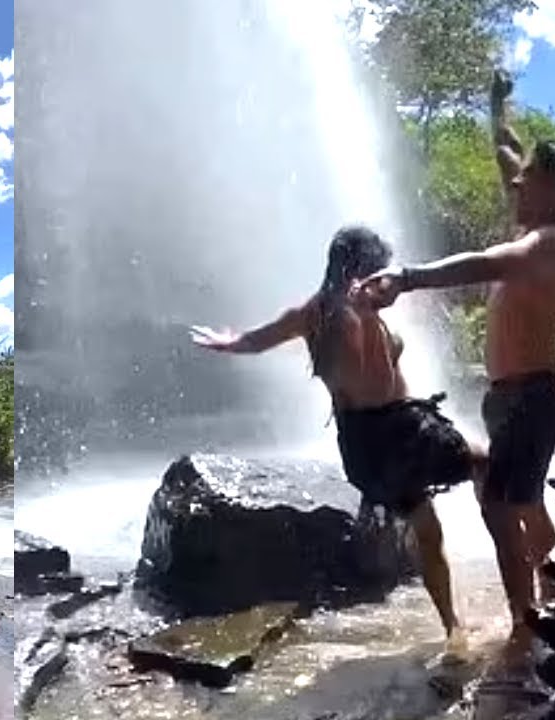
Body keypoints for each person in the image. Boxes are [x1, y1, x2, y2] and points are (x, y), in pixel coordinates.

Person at [358, 70, 555, 668]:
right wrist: (495, 106)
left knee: (501, 504)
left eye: (530, 175)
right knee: (525, 501)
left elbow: (485, 263)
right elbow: (506, 149)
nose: (516, 180)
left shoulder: (551, 243)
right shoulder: (537, 222)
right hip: (512, 397)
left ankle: (525, 621)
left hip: (533, 396)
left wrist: (407, 278)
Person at [190, 225, 483, 658]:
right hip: (398, 433)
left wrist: (231, 343)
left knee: (428, 527)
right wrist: (367, 309)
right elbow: (362, 345)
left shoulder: (310, 314)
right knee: (488, 463)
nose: (386, 279)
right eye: (378, 269)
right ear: (358, 270)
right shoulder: (351, 309)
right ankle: (504, 597)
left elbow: (256, 341)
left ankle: (453, 628)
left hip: (361, 446)